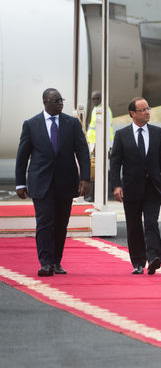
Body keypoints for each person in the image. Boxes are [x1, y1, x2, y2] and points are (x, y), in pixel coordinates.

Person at [15, 88, 91, 277]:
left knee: (60, 224)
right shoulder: (31, 125)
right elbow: (22, 156)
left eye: (61, 100)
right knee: (44, 223)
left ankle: (56, 262)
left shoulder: (72, 124)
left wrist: (85, 179)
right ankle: (45, 263)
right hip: (41, 182)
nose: (60, 104)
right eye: (56, 101)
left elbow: (82, 152)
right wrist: (19, 183)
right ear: (45, 103)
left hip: (65, 182)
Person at [110, 97, 161, 275]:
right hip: (131, 189)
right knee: (134, 226)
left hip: (153, 188)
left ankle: (154, 258)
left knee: (151, 223)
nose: (147, 112)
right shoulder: (122, 135)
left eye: (147, 109)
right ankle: (138, 262)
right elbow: (115, 163)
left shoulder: (158, 132)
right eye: (142, 110)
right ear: (132, 113)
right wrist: (116, 186)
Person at [85, 90, 113, 202]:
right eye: (93, 99)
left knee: (97, 171)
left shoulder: (104, 110)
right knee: (94, 171)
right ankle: (93, 195)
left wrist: (108, 147)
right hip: (94, 145)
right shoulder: (96, 109)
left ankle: (94, 195)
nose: (94, 101)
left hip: (99, 145)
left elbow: (106, 130)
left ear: (101, 99)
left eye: (96, 98)